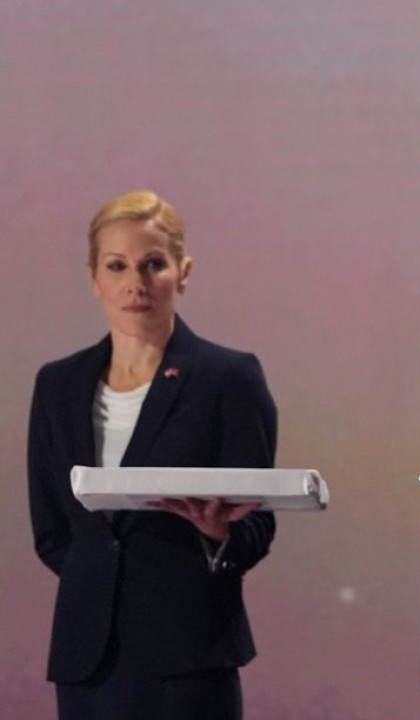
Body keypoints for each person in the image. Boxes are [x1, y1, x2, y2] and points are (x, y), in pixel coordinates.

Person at [27, 190, 277, 720]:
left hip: (189, 657)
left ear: (183, 273)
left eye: (153, 264)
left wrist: (218, 536)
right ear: (94, 277)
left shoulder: (229, 378)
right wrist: (102, 588)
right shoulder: (57, 385)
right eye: (117, 265)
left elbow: (258, 525)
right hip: (88, 660)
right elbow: (52, 531)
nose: (135, 283)